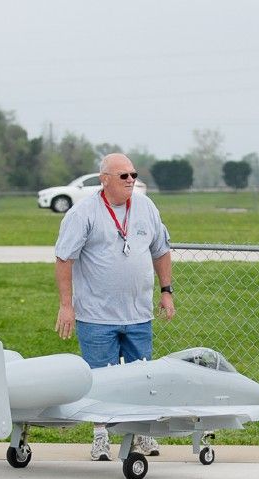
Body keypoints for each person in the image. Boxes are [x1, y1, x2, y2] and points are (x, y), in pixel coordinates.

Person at [54, 153, 176, 460]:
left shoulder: (146, 207)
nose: (131, 181)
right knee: (99, 379)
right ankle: (101, 436)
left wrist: (166, 291)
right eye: (124, 176)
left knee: (142, 378)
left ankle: (142, 434)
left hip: (138, 315)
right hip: (96, 316)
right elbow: (64, 259)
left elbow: (161, 250)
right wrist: (66, 306)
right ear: (104, 179)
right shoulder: (84, 213)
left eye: (133, 175)